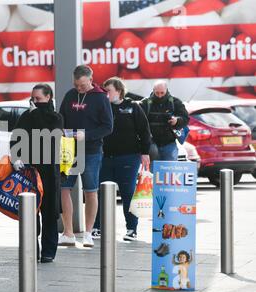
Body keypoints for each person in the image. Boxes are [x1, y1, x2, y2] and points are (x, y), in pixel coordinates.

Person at [58, 65, 113, 248]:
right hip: (69, 150)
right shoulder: (70, 95)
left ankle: (88, 233)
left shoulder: (100, 98)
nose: (79, 88)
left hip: (91, 150)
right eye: (76, 84)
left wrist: (87, 135)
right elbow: (61, 118)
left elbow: (108, 126)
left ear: (90, 79)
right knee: (64, 188)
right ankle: (68, 232)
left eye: (82, 85)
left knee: (90, 190)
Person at [92, 77, 151, 241]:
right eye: (104, 91)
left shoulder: (133, 107)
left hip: (128, 157)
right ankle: (98, 227)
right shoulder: (103, 108)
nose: (106, 94)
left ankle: (131, 229)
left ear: (118, 91)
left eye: (109, 91)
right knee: (100, 193)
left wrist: (145, 152)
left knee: (128, 193)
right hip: (104, 157)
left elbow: (144, 131)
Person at [10, 84, 64, 263]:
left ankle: (49, 251)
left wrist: (35, 114)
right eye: (32, 99)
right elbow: (16, 137)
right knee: (30, 211)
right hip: (29, 169)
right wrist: (15, 157)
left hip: (49, 170)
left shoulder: (56, 117)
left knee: (49, 212)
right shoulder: (27, 115)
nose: (34, 102)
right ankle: (32, 249)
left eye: (38, 99)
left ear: (48, 98)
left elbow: (48, 134)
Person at [140, 80, 189, 162]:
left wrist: (177, 120)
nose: (159, 96)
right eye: (157, 93)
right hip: (151, 144)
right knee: (152, 173)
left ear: (166, 90)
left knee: (169, 172)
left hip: (169, 144)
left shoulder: (175, 102)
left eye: (162, 93)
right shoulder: (145, 103)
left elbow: (185, 118)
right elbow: (138, 122)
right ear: (153, 90)